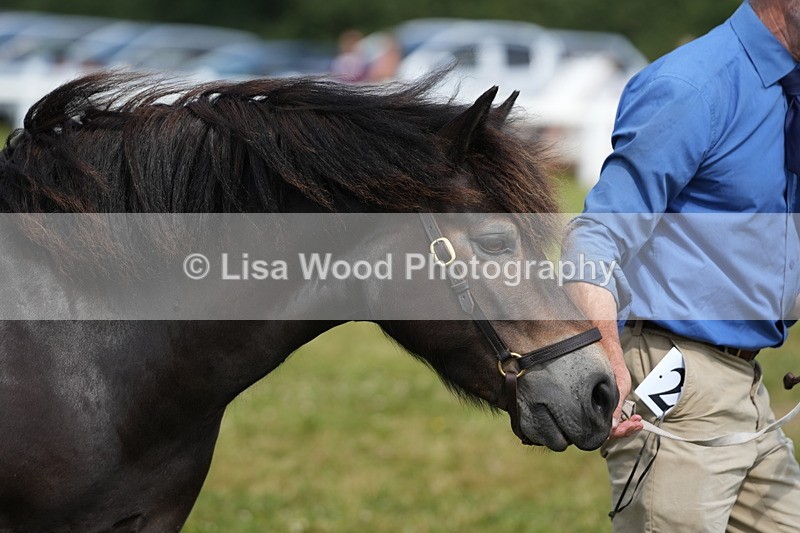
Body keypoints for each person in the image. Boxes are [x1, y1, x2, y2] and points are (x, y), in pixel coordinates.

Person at [564, 0, 800, 531]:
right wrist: (605, 357)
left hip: (748, 386)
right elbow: (597, 234)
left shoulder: (789, 90)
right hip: (675, 381)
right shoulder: (695, 85)